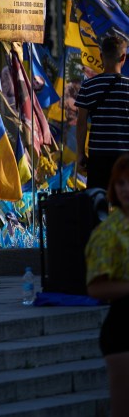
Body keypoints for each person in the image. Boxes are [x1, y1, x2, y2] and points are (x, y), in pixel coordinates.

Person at [86, 154, 129, 416]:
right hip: (123, 327)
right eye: (120, 183)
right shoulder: (107, 232)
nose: (125, 188)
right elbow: (95, 288)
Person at [76, 35, 129, 190]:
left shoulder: (88, 86)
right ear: (123, 57)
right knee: (125, 206)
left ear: (101, 56)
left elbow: (81, 124)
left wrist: (80, 154)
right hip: (125, 158)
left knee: (97, 205)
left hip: (98, 157)